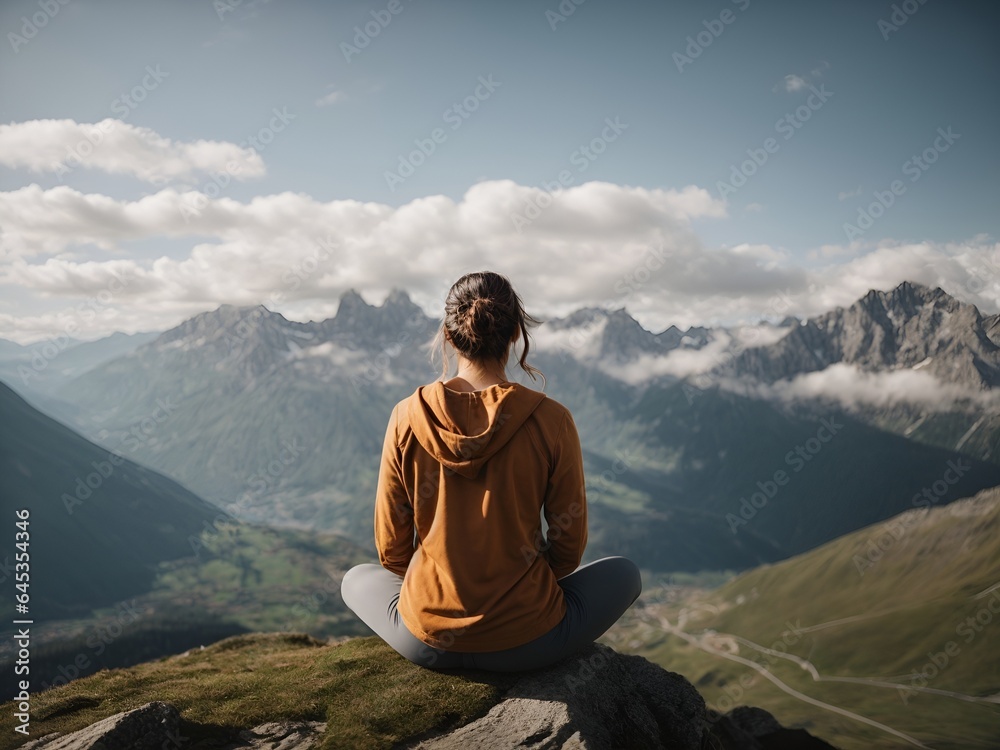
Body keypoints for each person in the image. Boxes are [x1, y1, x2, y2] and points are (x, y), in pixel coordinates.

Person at [341, 271, 641, 671]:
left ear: (448, 336)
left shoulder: (405, 417)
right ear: (516, 333)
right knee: (625, 573)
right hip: (530, 640)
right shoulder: (552, 419)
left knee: (355, 579)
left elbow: (391, 551)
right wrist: (519, 585)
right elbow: (569, 546)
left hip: (428, 645)